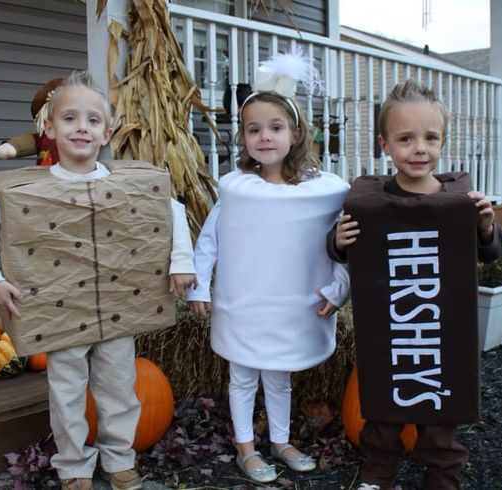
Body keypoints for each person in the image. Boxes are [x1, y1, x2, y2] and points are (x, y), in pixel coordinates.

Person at [0, 71, 196, 490]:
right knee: (67, 392)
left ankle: (118, 458)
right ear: (49, 128)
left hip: (118, 307)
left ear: (106, 132)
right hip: (59, 311)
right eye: (70, 118)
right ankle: (73, 465)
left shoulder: (130, 184)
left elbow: (173, 211)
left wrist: (181, 261)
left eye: (93, 120)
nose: (82, 127)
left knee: (119, 388)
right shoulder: (27, 190)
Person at [328, 79, 502, 490]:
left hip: (440, 334)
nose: (419, 148)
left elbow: (491, 252)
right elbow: (343, 251)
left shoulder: (461, 202)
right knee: (383, 416)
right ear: (384, 144)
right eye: (405, 138)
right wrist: (337, 241)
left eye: (430, 137)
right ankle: (377, 478)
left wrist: (484, 225)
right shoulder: (370, 203)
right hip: (393, 333)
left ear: (443, 141)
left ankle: (443, 480)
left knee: (440, 419)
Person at [187, 49, 351, 484]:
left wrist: (339, 288)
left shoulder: (321, 194)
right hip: (245, 301)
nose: (265, 137)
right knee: (242, 376)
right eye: (254, 129)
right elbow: (210, 239)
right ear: (242, 136)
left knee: (279, 377)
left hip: (289, 304)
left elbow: (340, 245)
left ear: (295, 133)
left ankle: (279, 440)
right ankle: (245, 446)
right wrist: (200, 285)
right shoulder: (237, 190)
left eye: (275, 128)